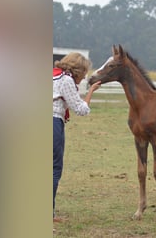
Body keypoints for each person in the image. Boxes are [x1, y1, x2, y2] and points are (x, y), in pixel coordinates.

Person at [53, 52, 101, 222]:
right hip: (53, 122)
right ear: (78, 70)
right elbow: (81, 109)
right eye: (84, 72)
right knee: (54, 169)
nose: (84, 76)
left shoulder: (53, 75)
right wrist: (91, 91)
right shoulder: (66, 80)